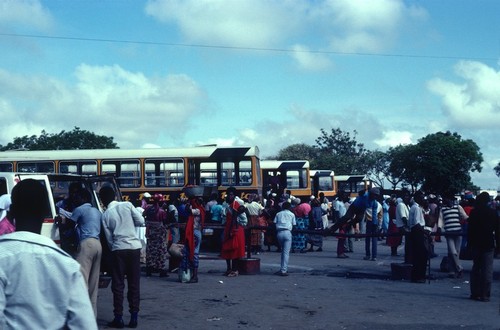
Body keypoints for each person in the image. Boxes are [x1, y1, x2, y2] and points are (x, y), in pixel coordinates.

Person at [0, 179, 97, 329]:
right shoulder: (68, 265)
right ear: (45, 210)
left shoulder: (2, 257)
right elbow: (84, 325)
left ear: (11, 210)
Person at [100, 185, 145, 329]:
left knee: (118, 285)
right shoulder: (128, 205)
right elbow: (140, 221)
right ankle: (134, 318)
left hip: (118, 249)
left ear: (102, 200)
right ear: (114, 196)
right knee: (134, 284)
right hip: (134, 248)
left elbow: (109, 239)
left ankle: (118, 318)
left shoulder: (105, 215)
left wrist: (116, 246)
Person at [70, 189, 103, 317]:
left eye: (77, 196)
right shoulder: (97, 211)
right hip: (98, 244)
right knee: (93, 284)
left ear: (83, 198)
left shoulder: (79, 209)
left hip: (86, 244)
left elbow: (69, 224)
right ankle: (92, 316)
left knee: (82, 281)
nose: (75, 199)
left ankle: (81, 316)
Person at [467, 192, 497, 302]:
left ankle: (475, 293)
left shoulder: (474, 213)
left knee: (476, 268)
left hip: (475, 243)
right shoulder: (493, 213)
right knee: (487, 269)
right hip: (488, 243)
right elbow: (497, 230)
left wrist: (469, 244)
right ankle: (485, 294)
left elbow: (470, 230)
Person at [439, 193, 468, 278]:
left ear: (451, 199)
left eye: (447, 199)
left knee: (457, 252)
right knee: (453, 252)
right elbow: (440, 220)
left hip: (458, 232)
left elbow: (464, 216)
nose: (445, 200)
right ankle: (459, 268)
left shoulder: (458, 207)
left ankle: (453, 270)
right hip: (449, 233)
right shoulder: (443, 209)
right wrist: (439, 228)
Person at [220, 187, 247, 277]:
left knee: (235, 250)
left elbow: (240, 220)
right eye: (229, 194)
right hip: (229, 228)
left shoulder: (236, 204)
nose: (230, 196)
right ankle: (229, 269)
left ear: (234, 195)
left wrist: (232, 229)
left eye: (232, 194)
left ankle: (235, 270)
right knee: (227, 250)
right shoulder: (227, 204)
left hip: (235, 229)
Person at [181, 196, 205, 283]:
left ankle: (195, 276)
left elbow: (188, 210)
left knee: (194, 253)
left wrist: (188, 203)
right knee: (188, 252)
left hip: (195, 233)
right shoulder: (199, 209)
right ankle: (191, 274)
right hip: (195, 232)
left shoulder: (198, 210)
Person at [144, 194, 168, 277]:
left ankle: (149, 269)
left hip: (150, 232)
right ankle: (161, 269)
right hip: (160, 234)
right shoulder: (162, 211)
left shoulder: (148, 209)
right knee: (161, 251)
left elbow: (145, 217)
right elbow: (165, 222)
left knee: (150, 251)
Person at [408, 192, 428, 283]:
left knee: (420, 255)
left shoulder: (418, 207)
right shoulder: (416, 208)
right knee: (420, 255)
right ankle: (418, 276)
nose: (423, 199)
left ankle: (418, 275)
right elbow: (416, 223)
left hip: (418, 231)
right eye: (421, 197)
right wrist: (425, 232)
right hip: (417, 232)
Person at [274, 201, 296, 276]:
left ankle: (282, 268)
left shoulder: (278, 214)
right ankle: (284, 270)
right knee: (286, 253)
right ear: (290, 207)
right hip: (287, 232)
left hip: (279, 233)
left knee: (283, 252)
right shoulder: (292, 214)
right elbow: (294, 224)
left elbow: (274, 223)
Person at [363, 197, 382, 261]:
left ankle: (367, 255)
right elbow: (380, 216)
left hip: (369, 222)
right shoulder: (379, 205)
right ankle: (374, 256)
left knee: (367, 240)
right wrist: (379, 225)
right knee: (374, 240)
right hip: (375, 222)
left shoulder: (367, 204)